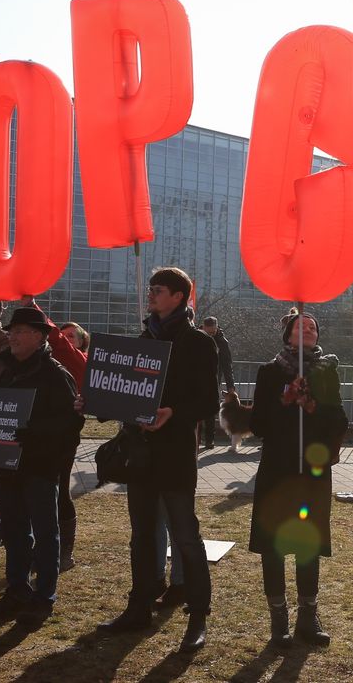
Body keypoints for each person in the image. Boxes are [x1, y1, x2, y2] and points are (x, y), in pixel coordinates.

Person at [96, 267, 217, 653]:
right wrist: (96, 400)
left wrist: (172, 413)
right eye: (150, 289)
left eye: (159, 290)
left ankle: (197, 616)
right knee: (141, 537)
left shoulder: (198, 342)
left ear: (179, 297)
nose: (151, 294)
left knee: (185, 536)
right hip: (140, 455)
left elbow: (208, 401)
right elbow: (127, 392)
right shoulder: (144, 337)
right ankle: (139, 607)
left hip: (176, 455)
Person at [248, 310, 349, 648]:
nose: (306, 329)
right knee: (274, 545)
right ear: (288, 335)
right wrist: (284, 399)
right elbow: (258, 425)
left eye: (312, 326)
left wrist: (312, 407)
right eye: (299, 326)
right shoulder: (269, 372)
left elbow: (339, 420)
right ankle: (279, 620)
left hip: (312, 472)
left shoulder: (327, 371)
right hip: (278, 471)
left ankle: (309, 616)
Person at [0, 307, 83, 623]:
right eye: (12, 331)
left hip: (40, 466)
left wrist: (33, 433)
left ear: (38, 337)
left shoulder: (55, 374)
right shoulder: (8, 372)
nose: (13, 336)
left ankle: (43, 596)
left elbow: (71, 424)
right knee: (14, 531)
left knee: (45, 532)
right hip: (9, 466)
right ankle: (17, 589)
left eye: (20, 331)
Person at [199, 316, 234, 449]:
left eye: (213, 332)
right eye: (209, 332)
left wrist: (230, 385)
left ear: (217, 328)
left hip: (214, 379)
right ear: (203, 327)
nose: (211, 335)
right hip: (197, 379)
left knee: (210, 410)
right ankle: (196, 437)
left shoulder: (222, 342)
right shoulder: (197, 337)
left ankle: (209, 440)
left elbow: (227, 365)